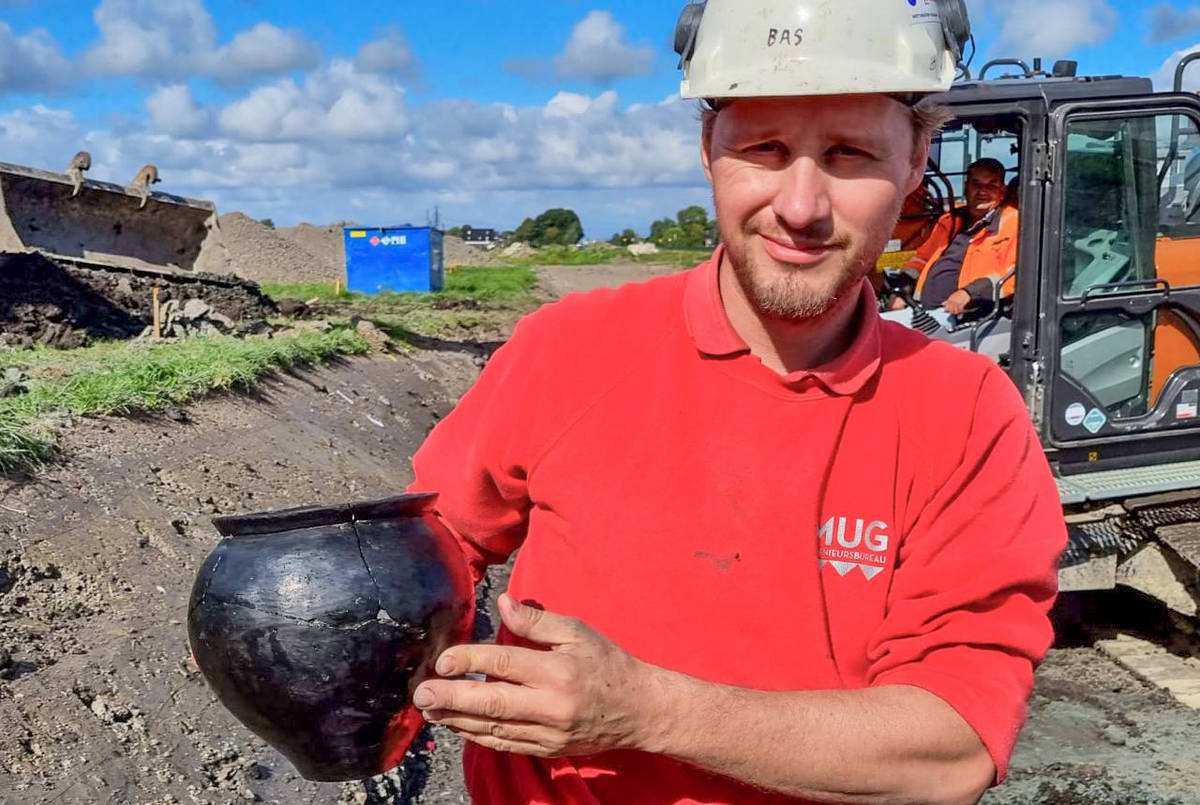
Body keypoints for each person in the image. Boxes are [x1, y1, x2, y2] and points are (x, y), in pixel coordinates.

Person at [407, 2, 1064, 803]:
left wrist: (645, 710)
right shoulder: (566, 351)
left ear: (919, 155)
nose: (801, 205)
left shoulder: (966, 416)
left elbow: (951, 748)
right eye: (766, 148)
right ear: (708, 146)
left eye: (850, 153)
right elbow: (430, 536)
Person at [898, 158, 1019, 315]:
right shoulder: (949, 221)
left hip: (977, 317)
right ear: (966, 187)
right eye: (977, 184)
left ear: (1002, 191)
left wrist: (969, 293)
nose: (982, 192)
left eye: (991, 186)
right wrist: (901, 288)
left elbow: (1017, 274)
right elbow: (921, 259)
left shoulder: (1013, 222)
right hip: (928, 313)